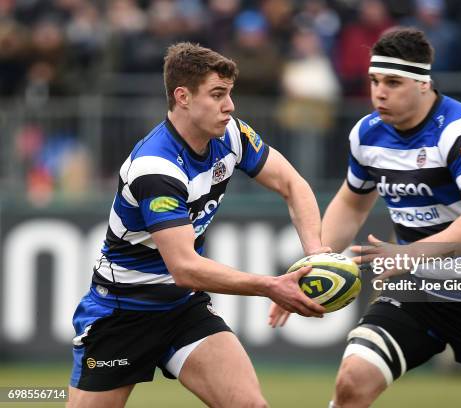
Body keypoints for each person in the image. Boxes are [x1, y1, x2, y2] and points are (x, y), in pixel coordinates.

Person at [269, 28, 461, 407]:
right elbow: (351, 204)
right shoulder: (367, 135)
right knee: (352, 381)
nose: (379, 92)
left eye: (393, 82)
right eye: (374, 81)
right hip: (416, 292)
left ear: (423, 83)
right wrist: (309, 266)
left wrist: (410, 254)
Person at [68, 42, 327, 408]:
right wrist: (271, 286)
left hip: (181, 309)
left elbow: (292, 184)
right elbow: (185, 267)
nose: (230, 106)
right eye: (218, 95)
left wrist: (314, 254)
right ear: (183, 97)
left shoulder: (231, 135)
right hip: (121, 314)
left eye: (230, 94)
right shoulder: (156, 168)